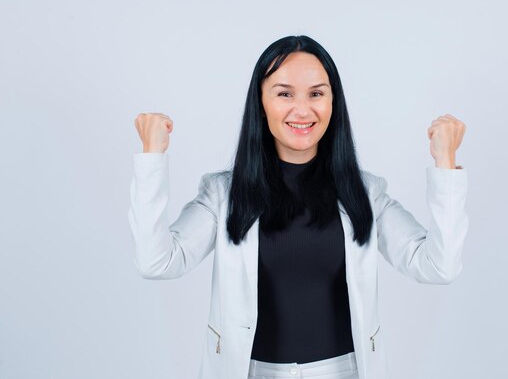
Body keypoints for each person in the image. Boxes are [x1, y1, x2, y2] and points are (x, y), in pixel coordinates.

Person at [128, 35, 468, 379]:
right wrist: (152, 157)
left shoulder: (365, 192)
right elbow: (157, 261)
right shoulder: (223, 194)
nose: (303, 110)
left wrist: (445, 164)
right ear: (261, 102)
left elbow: (438, 267)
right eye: (284, 93)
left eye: (317, 94)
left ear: (333, 102)